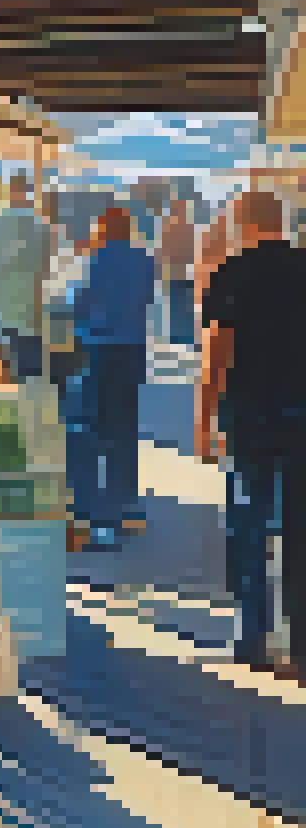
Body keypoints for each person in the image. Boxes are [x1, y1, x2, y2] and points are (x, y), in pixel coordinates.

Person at [198, 190, 306, 677]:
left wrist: (205, 418)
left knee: (249, 523)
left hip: (247, 414)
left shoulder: (230, 273)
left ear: (244, 222)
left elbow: (215, 354)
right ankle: (301, 645)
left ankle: (252, 635)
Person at [64, 206, 154, 551]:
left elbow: (77, 306)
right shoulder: (145, 261)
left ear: (102, 227)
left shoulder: (91, 261)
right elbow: (146, 301)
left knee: (87, 432)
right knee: (123, 431)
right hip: (131, 353)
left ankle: (91, 515)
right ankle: (121, 510)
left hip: (96, 351)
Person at [0, 174, 50, 381]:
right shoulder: (36, 225)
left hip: (5, 307)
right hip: (29, 309)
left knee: (11, 368)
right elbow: (44, 267)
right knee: (29, 370)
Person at [160, 197, 196, 348]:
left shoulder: (170, 227)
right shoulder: (187, 227)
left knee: (179, 306)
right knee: (181, 306)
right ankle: (183, 338)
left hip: (178, 274)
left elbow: (164, 253)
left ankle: (180, 338)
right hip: (182, 274)